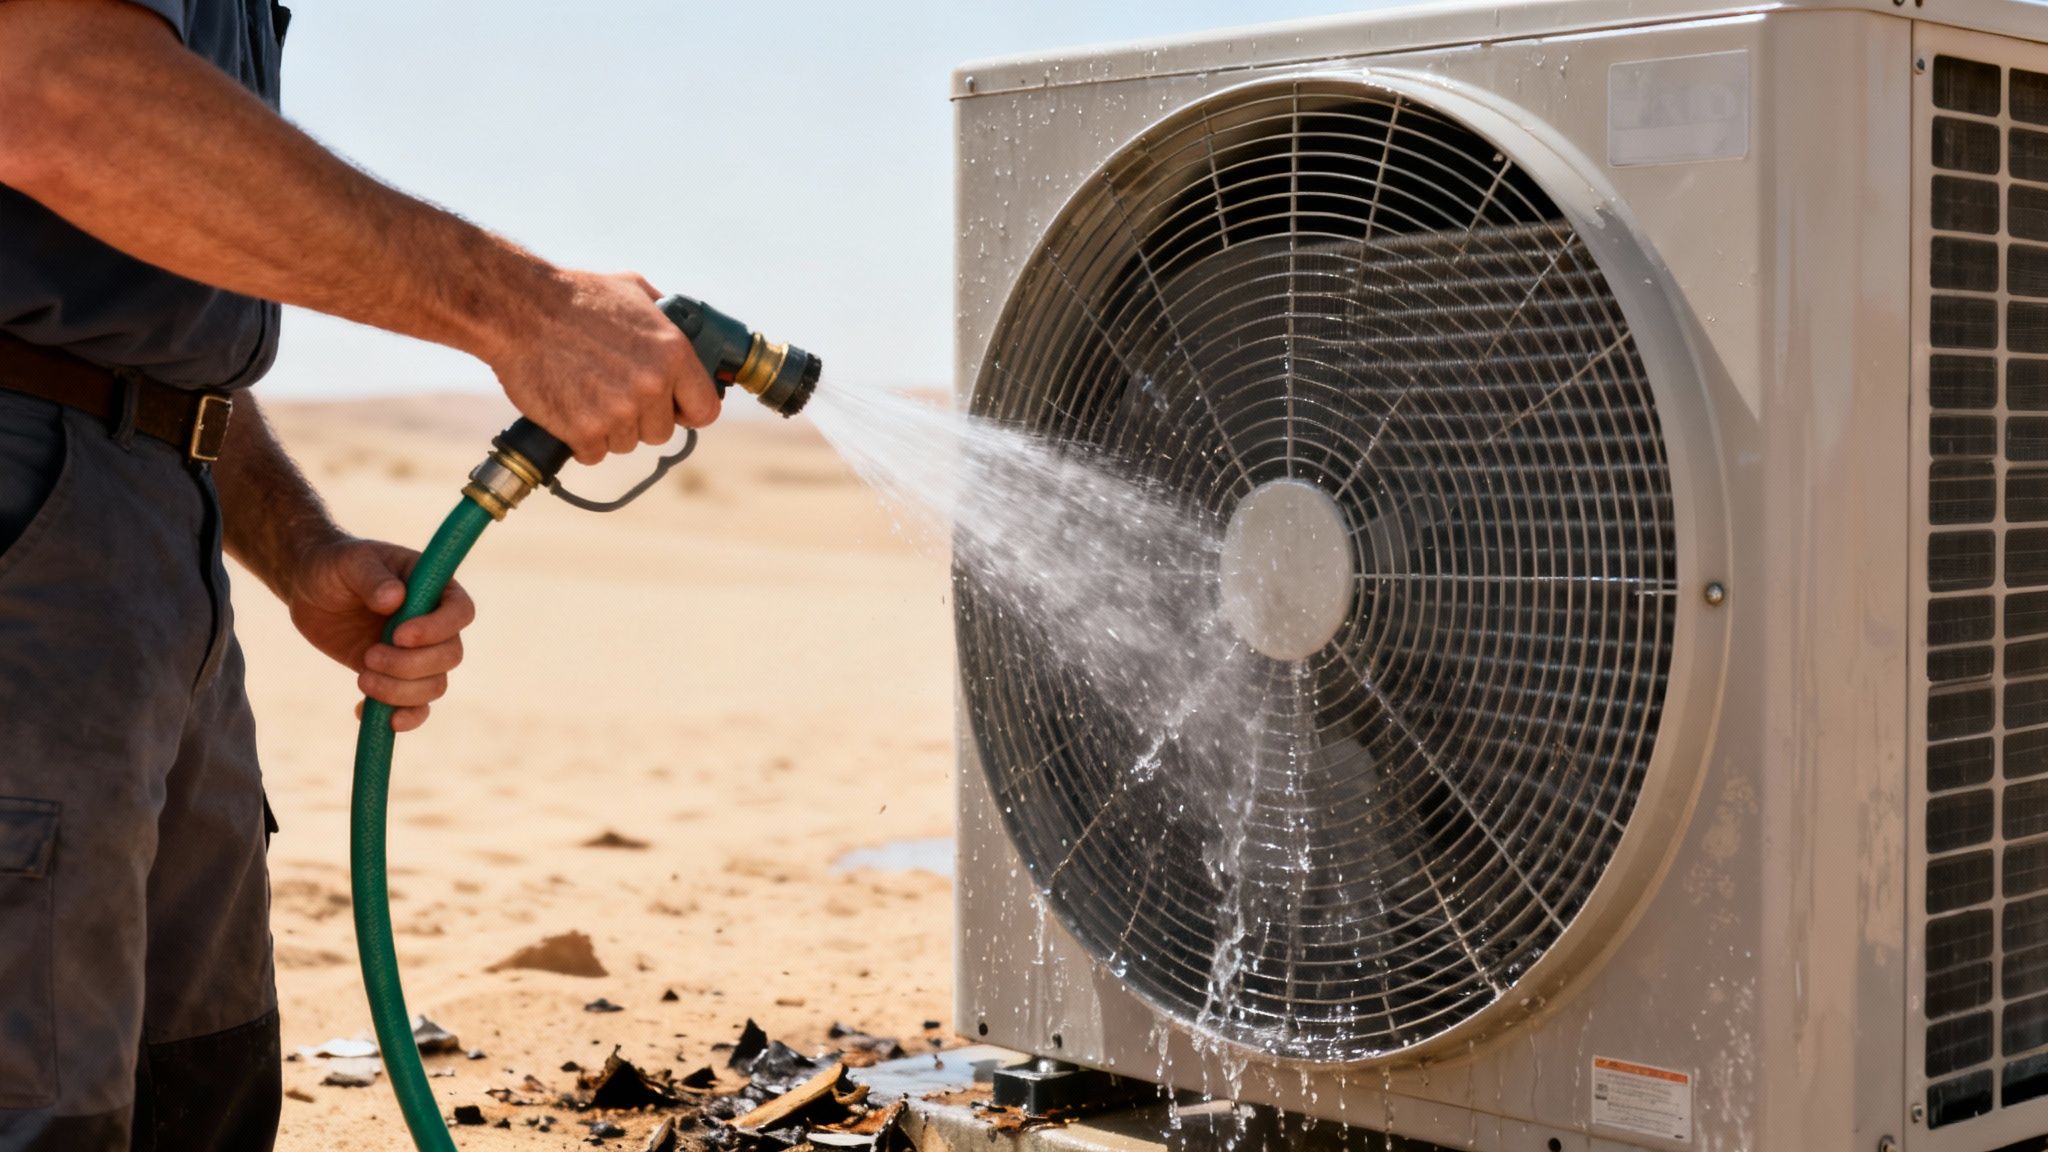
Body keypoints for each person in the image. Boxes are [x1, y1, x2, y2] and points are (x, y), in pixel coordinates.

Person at [0, 1, 723, 1147]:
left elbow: (137, 343)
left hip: (144, 531)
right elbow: (55, 98)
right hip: (31, 530)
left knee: (196, 1077)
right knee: (40, 1102)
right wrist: (521, 309)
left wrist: (299, 550)